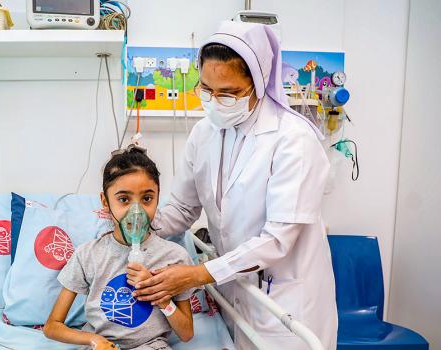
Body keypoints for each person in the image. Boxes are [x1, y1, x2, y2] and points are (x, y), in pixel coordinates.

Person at [132, 21, 338, 349]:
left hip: (285, 299)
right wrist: (139, 223)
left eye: (228, 93)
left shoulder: (293, 140)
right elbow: (184, 208)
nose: (214, 101)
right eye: (206, 89)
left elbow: (277, 240)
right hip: (234, 291)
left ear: (257, 84)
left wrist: (197, 274)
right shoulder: (204, 133)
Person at [44, 146, 195, 350]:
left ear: (158, 198)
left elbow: (186, 333)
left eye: (147, 199)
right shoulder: (88, 255)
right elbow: (52, 326)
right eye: (124, 199)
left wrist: (161, 298)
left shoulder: (175, 257)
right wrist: (93, 340)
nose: (136, 211)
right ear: (105, 201)